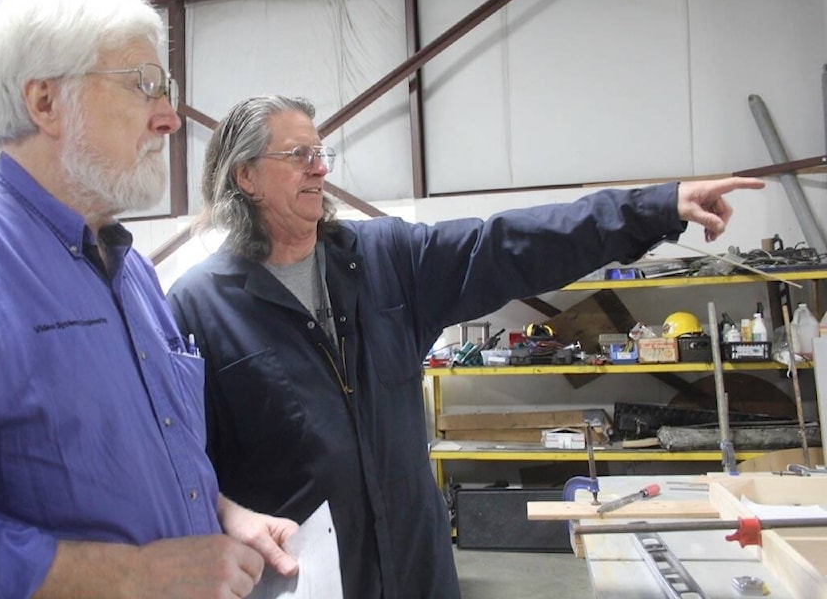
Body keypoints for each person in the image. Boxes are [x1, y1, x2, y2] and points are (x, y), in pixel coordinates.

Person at [165, 94, 766, 598]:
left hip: (416, 567)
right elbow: (181, 464)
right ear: (245, 176)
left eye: (321, 153)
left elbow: (509, 244)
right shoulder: (198, 305)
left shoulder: (384, 261)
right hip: (304, 579)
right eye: (300, 156)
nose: (321, 168)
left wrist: (653, 208)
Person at [0, 0, 299, 599]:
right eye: (142, 84)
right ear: (45, 102)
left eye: (167, 90)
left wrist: (224, 517)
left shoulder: (134, 276)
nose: (169, 116)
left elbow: (135, 463)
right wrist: (132, 576)